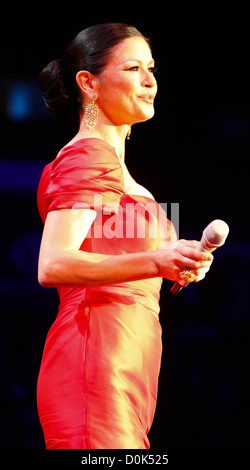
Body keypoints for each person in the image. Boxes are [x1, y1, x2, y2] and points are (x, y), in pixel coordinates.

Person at [36, 23, 213, 449]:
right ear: (88, 83)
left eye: (151, 68)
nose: (151, 81)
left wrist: (180, 259)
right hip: (96, 357)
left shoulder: (116, 169)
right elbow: (53, 264)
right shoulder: (89, 155)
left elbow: (120, 256)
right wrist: (156, 261)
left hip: (129, 363)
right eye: (134, 68)